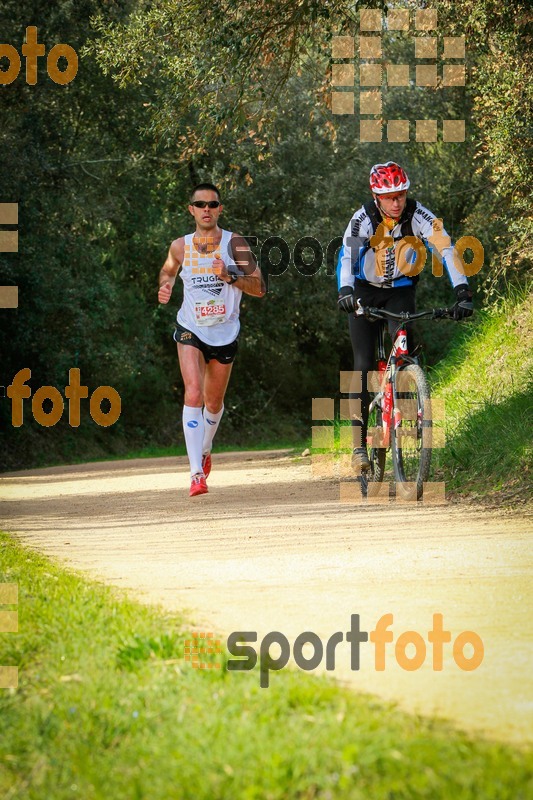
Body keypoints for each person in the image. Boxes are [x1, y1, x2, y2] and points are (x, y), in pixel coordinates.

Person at [336, 161, 474, 471]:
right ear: (376, 197)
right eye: (389, 197)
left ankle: (407, 404)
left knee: (405, 352)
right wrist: (345, 291)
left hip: (400, 291)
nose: (397, 202)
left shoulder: (418, 214)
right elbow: (346, 255)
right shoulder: (363, 219)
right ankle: (359, 445)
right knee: (363, 363)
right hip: (364, 291)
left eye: (401, 194)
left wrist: (463, 291)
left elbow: (447, 248)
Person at [158, 183, 265, 496]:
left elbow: (259, 288)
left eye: (212, 204)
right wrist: (164, 286)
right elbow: (167, 271)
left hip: (224, 332)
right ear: (191, 209)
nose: (206, 209)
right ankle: (195, 475)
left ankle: (204, 450)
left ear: (220, 209)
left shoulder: (235, 244)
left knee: (214, 403)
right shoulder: (180, 246)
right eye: (200, 204)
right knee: (193, 393)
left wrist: (230, 276)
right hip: (190, 328)